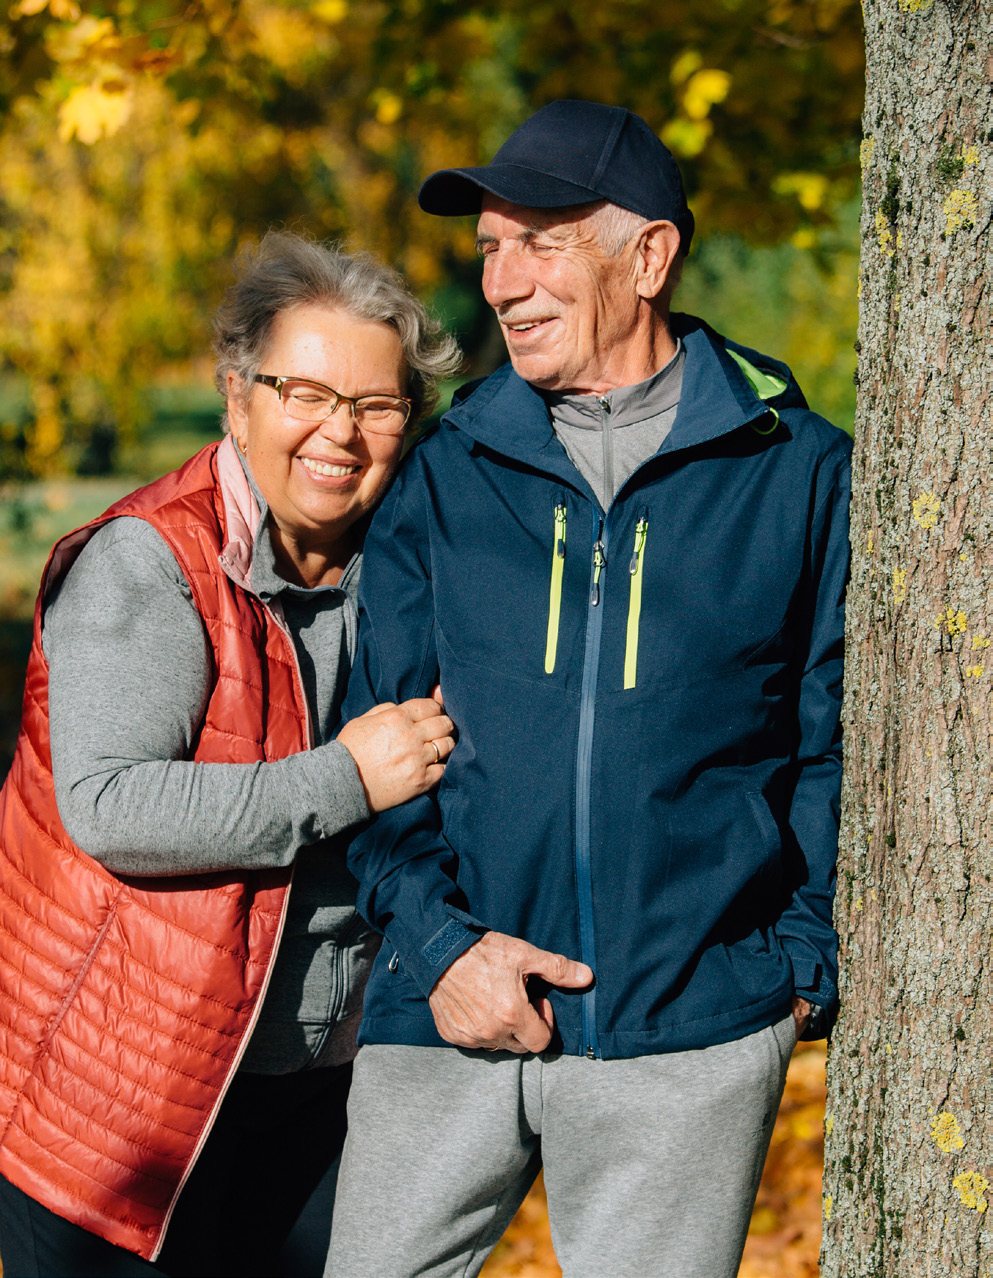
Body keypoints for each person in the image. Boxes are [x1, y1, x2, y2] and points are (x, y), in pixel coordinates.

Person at [326, 101, 851, 1278]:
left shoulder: (801, 476)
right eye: (488, 252)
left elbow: (829, 742)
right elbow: (377, 739)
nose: (503, 283)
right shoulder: (449, 477)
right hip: (446, 1008)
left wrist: (791, 969)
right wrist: (439, 948)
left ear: (649, 257)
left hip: (687, 1031)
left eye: (540, 242)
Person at [0, 231, 460, 1278]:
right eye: (305, 392)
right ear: (237, 395)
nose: (339, 433)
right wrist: (346, 777)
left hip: (323, 1081)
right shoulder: (147, 563)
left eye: (376, 406)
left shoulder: (404, 570)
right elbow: (113, 807)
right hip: (127, 1104)